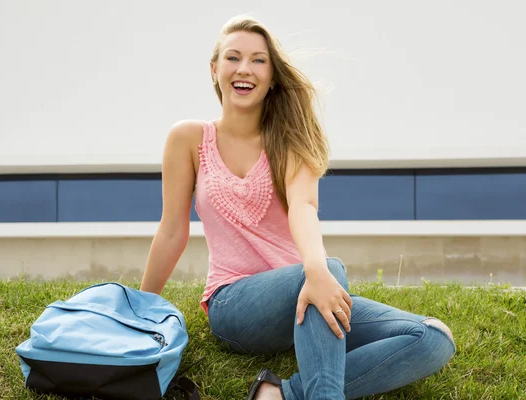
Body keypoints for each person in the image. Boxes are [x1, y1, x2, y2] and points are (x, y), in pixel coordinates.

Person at [140, 15, 455, 400]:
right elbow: (172, 229)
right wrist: (138, 309)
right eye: (233, 57)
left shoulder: (289, 141)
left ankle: (278, 395)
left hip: (307, 290)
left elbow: (303, 207)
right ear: (214, 69)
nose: (244, 69)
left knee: (432, 337)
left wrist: (316, 270)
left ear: (272, 76)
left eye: (258, 60)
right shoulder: (188, 138)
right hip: (235, 305)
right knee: (328, 271)